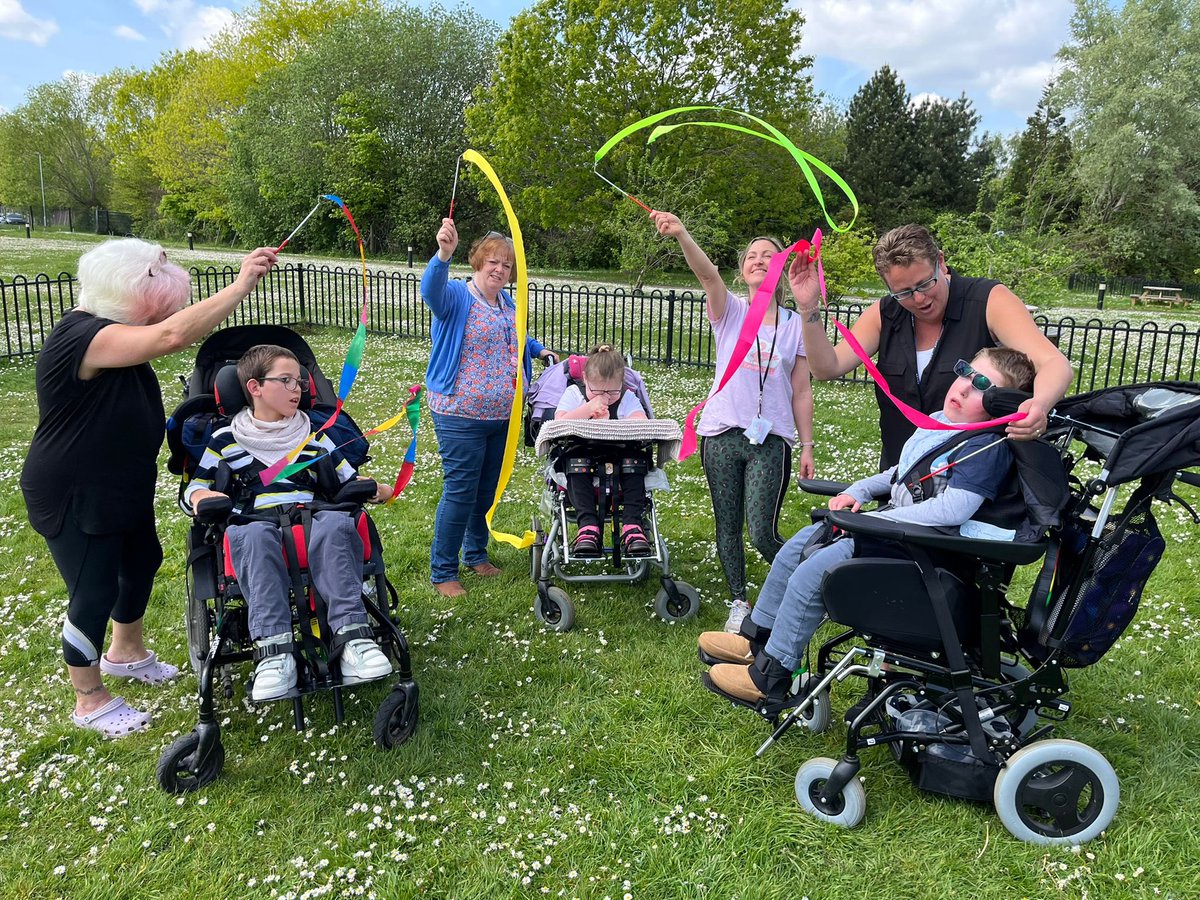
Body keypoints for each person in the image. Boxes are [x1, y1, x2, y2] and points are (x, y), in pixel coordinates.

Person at [20, 238, 277, 738]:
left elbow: (163, 331)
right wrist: (243, 283)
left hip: (120, 483)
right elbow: (172, 336)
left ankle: (126, 653)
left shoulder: (110, 327)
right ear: (133, 293)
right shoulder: (82, 337)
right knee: (92, 589)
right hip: (76, 489)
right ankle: (89, 698)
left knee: (140, 563)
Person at [698, 347, 1036, 705]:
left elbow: (953, 510)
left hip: (922, 548)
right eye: (966, 371)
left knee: (810, 575)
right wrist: (859, 490)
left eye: (983, 385)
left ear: (1004, 405)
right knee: (795, 548)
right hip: (893, 532)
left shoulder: (984, 446)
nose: (965, 387)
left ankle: (772, 675)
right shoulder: (943, 424)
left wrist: (871, 520)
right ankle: (757, 639)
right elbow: (900, 474)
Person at [185, 344, 394, 701]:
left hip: (314, 515)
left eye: (299, 381)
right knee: (251, 535)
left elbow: (347, 479)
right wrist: (201, 497)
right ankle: (274, 652)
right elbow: (196, 487)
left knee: (335, 524)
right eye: (285, 381)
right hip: (254, 519)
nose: (297, 388)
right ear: (255, 388)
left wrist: (376, 488)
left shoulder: (314, 434)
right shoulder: (225, 438)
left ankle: (352, 638)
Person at [788, 223, 1071, 470]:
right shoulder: (885, 313)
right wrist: (807, 306)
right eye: (903, 293)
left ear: (941, 262)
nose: (919, 300)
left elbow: (1054, 364)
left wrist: (1039, 406)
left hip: (972, 480)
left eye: (925, 284)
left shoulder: (988, 300)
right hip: (901, 476)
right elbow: (827, 367)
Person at [651, 210, 815, 633]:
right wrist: (683, 234)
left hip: (770, 440)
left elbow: (801, 390)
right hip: (721, 434)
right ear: (742, 270)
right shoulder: (732, 311)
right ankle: (739, 601)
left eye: (769, 255)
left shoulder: (797, 326)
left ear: (782, 267)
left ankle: (815, 580)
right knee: (728, 526)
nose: (759, 260)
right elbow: (708, 277)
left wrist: (808, 445)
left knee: (762, 532)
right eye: (751, 256)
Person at [422, 220, 557, 598]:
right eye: (493, 262)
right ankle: (443, 571)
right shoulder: (455, 296)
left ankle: (476, 554)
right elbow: (429, 292)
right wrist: (442, 255)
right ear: (478, 263)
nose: (500, 269)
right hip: (459, 414)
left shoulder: (506, 303)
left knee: (487, 491)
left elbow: (517, 333)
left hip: (503, 416)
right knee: (461, 491)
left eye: (507, 265)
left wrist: (538, 349)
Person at [554, 344, 651, 558]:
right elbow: (558, 423)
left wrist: (618, 422)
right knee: (575, 461)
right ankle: (587, 528)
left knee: (635, 461)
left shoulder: (626, 397)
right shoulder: (574, 395)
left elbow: (641, 422)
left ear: (621, 385)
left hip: (621, 456)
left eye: (612, 391)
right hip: (583, 456)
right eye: (598, 391)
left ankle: (633, 526)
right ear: (586, 381)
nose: (606, 397)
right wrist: (587, 409)